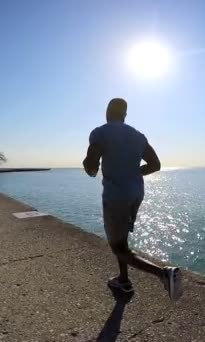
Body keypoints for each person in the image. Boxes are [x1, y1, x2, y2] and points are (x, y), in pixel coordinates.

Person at [83, 98, 183, 302]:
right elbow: (155, 165)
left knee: (117, 247)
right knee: (122, 238)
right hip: (136, 194)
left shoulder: (100, 132)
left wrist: (90, 167)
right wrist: (132, 172)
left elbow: (91, 164)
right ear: (125, 115)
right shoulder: (138, 136)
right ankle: (124, 280)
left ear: (107, 112)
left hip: (116, 196)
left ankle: (164, 274)